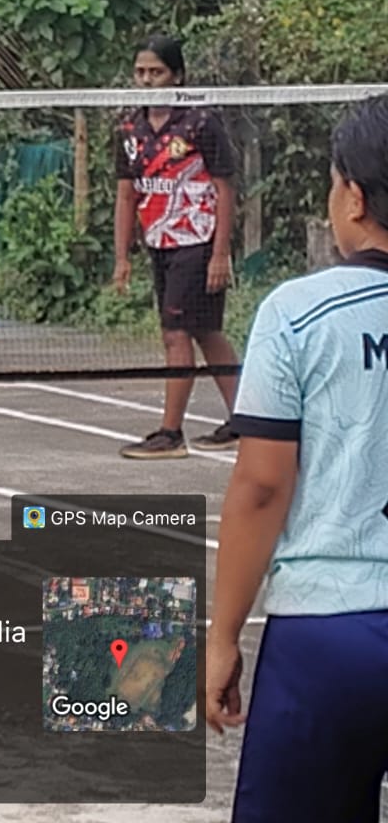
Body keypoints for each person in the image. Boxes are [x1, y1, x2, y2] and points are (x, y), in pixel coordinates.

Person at [206, 92, 388, 821]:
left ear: (353, 197)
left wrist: (223, 637)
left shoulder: (297, 313)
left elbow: (260, 486)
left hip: (326, 637)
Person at [112, 35, 242, 458]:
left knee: (176, 333)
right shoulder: (129, 128)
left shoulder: (201, 122)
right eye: (141, 72)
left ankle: (170, 434)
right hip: (159, 242)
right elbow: (126, 195)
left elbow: (225, 189)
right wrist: (122, 257)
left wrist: (220, 253)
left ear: (178, 76)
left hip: (197, 240)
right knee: (205, 331)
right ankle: (245, 419)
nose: (147, 80)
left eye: (157, 72)